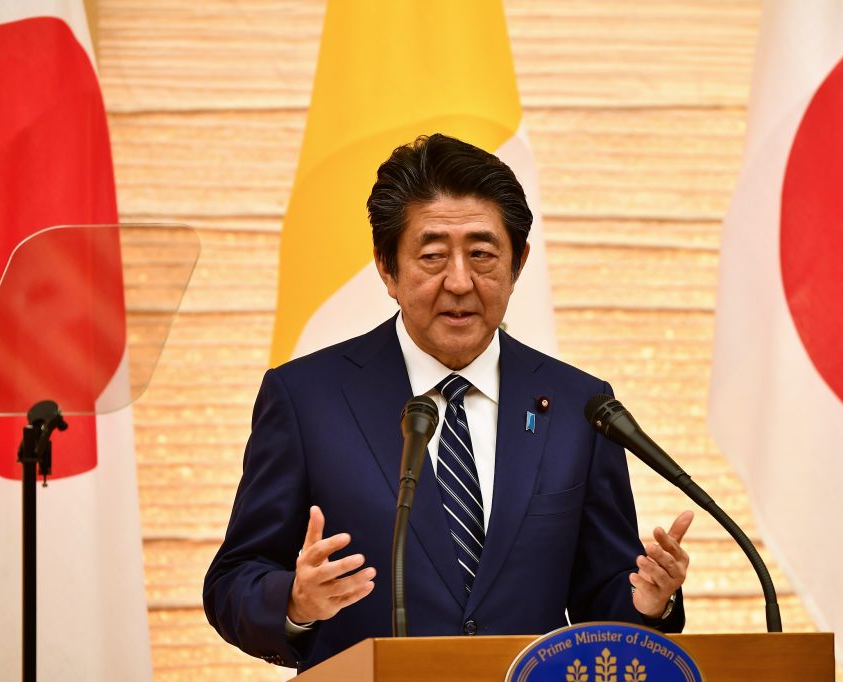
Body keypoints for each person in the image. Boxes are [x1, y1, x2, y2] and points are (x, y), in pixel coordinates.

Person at [203, 133, 693, 672]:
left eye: (482, 255)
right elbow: (234, 581)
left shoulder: (581, 404)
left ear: (518, 262)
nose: (460, 282)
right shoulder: (307, 398)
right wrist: (295, 602)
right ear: (387, 268)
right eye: (432, 256)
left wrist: (650, 602)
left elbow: (604, 594)